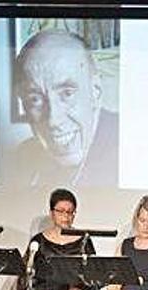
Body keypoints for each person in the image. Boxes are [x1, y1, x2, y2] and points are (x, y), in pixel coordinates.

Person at [7, 30, 118, 188]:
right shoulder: (23, 157)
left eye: (67, 93)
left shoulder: (133, 148)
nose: (53, 121)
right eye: (35, 99)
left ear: (95, 91)